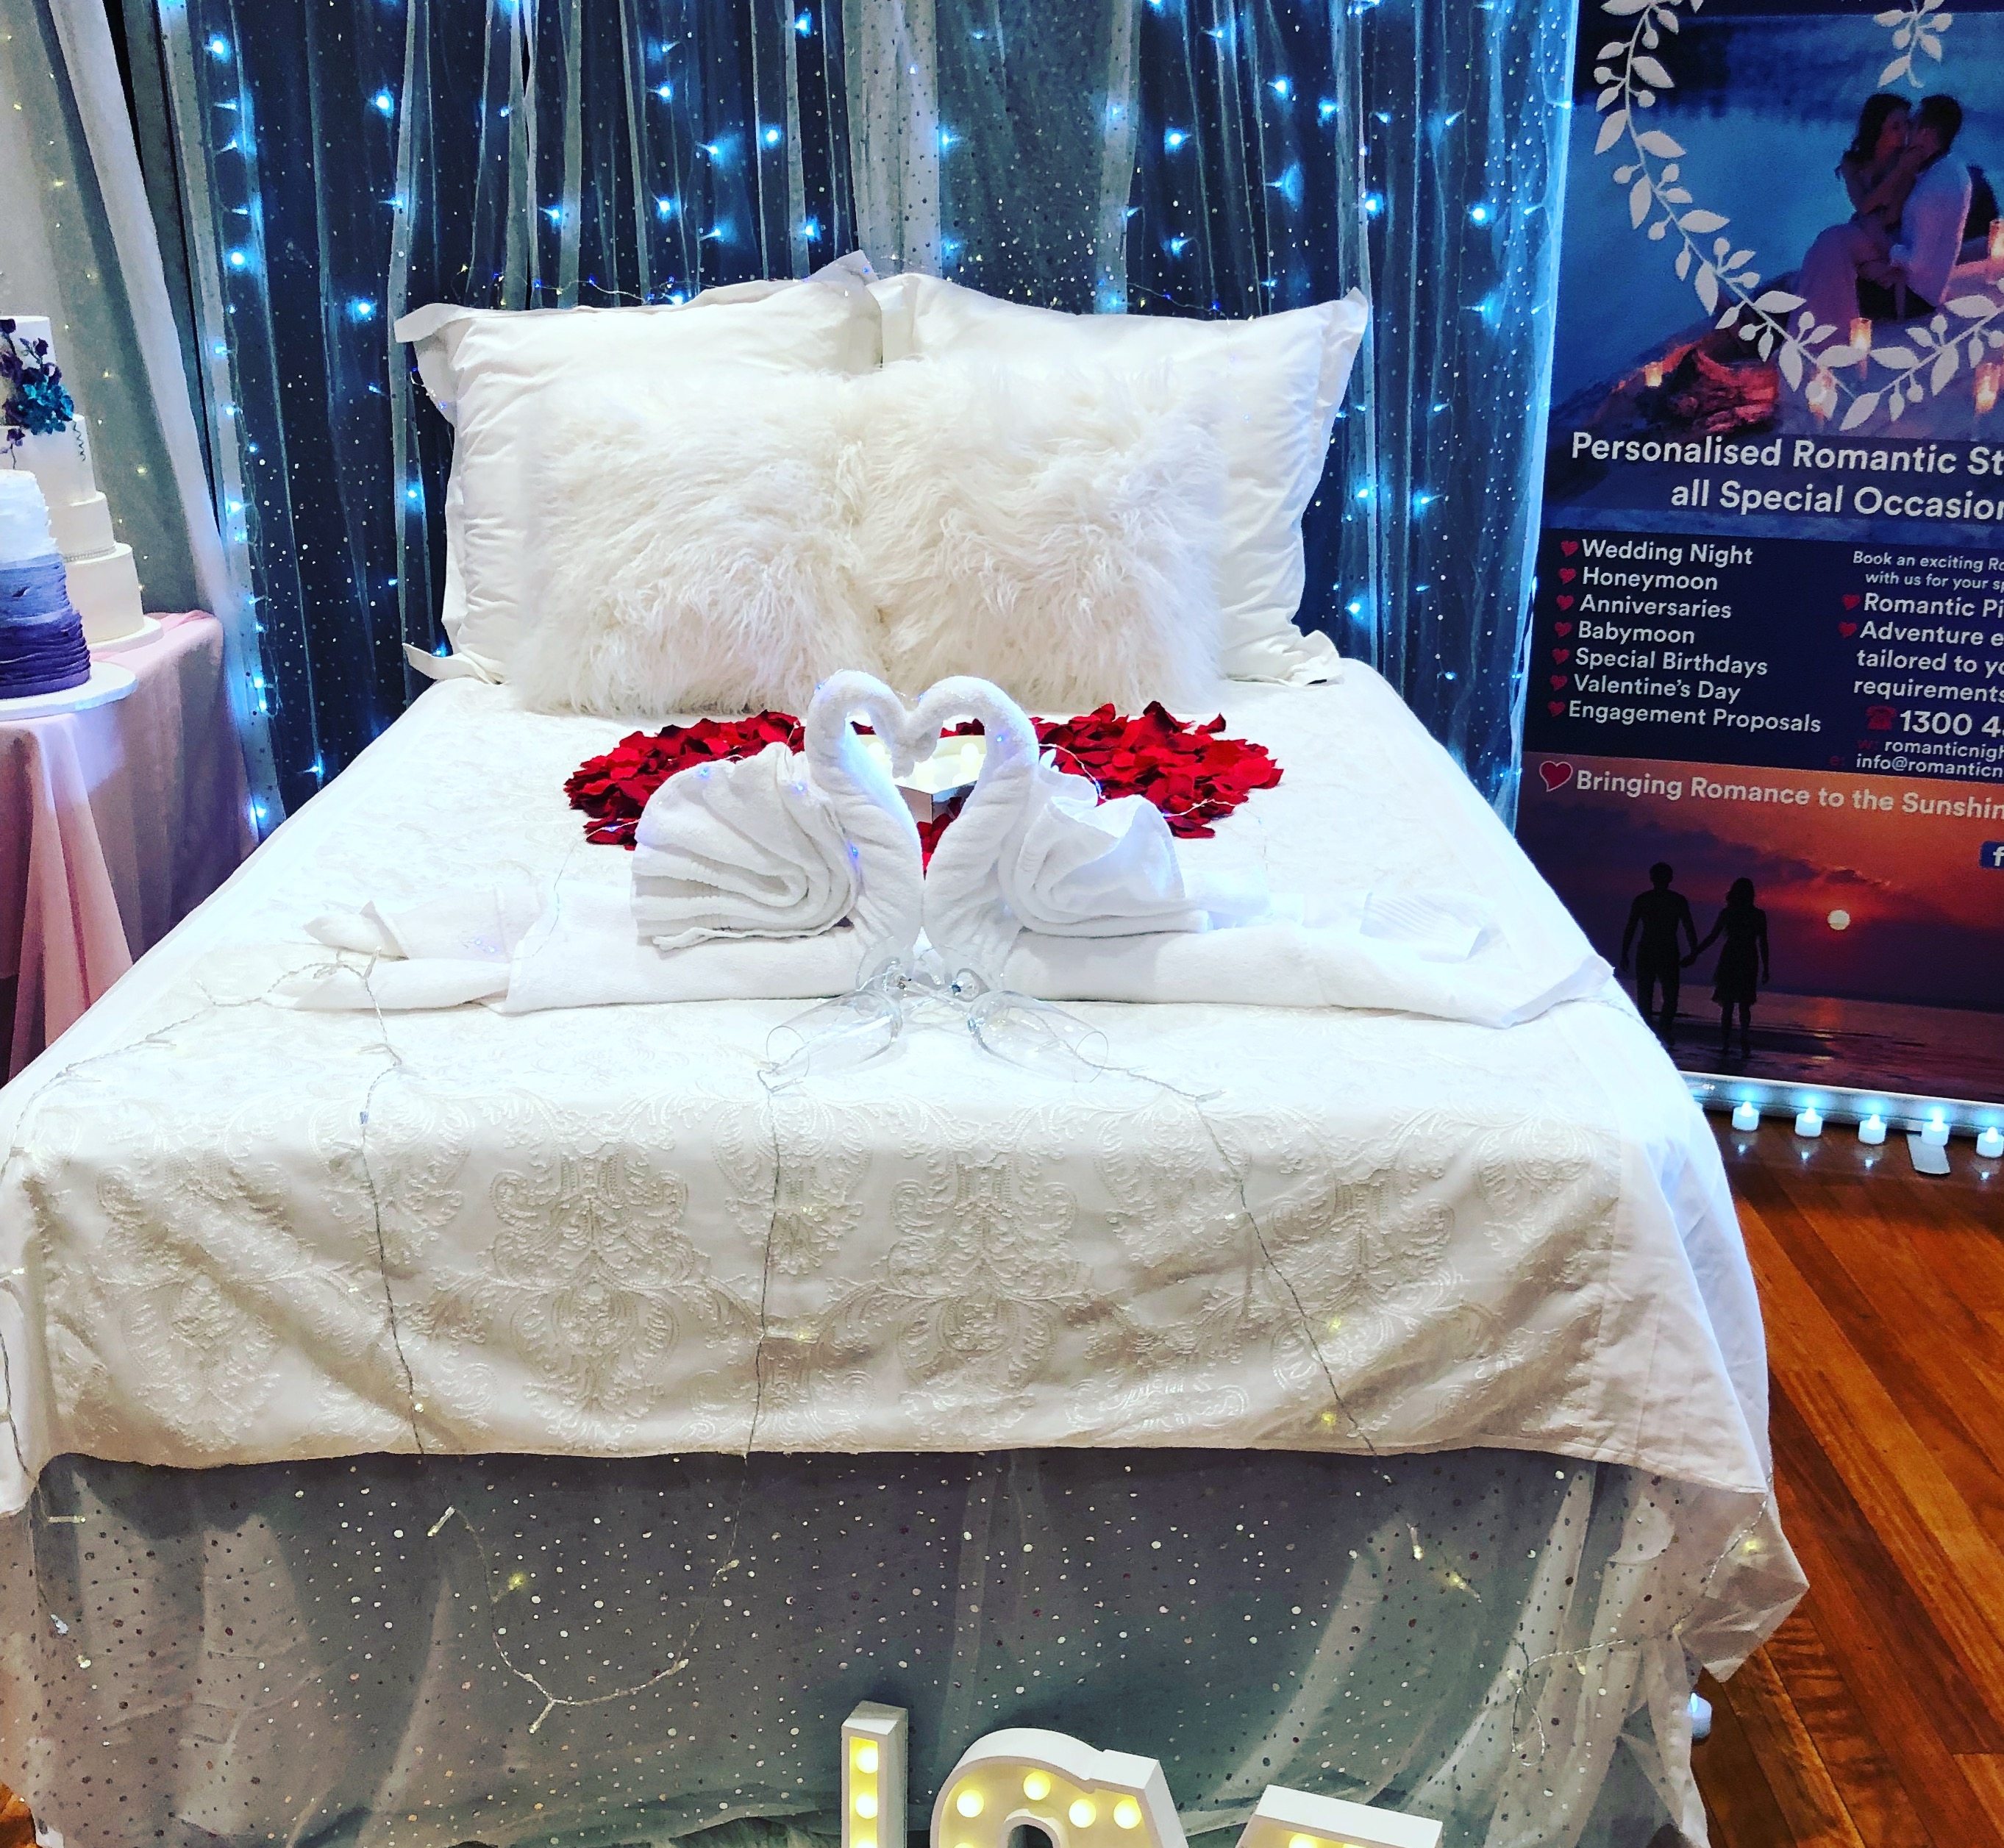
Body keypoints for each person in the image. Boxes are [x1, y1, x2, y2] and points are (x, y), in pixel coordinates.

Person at [1800, 94, 1971, 335]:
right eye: (1896, 127)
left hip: (1887, 248)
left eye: (1909, 125)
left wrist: (1901, 172)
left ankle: (1823, 337)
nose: (1905, 133)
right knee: (1828, 246)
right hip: (1871, 237)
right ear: (1877, 128)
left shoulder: (1917, 169)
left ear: (1926, 132)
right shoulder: (1856, 162)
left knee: (1831, 245)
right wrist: (1898, 174)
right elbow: (1864, 206)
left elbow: (1891, 218)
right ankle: (1812, 331)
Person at [1687, 877, 1769, 1061]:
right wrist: (1766, 968)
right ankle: (1742, 1038)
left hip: (1733, 957)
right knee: (1743, 1004)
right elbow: (1763, 943)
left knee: (1729, 1004)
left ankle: (1727, 1042)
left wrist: (1695, 953)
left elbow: (1712, 937)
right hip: (1747, 958)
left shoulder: (1729, 913)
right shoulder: (1756, 915)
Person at [1619, 862, 1697, 1041]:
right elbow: (1688, 928)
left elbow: (1688, 927)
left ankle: (1658, 1029)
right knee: (1663, 994)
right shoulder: (1671, 900)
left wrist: (1625, 953)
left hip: (1656, 950)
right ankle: (1659, 1030)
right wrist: (1694, 951)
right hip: (1660, 950)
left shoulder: (1647, 900)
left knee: (1652, 994)